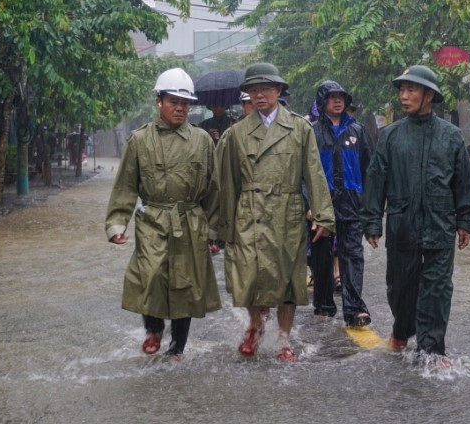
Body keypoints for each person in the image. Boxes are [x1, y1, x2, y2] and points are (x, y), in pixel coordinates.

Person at [211, 62, 335, 362]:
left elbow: (314, 173)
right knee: (247, 275)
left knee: (289, 279)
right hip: (249, 212)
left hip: (287, 212)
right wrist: (219, 228)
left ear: (279, 90)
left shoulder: (299, 129)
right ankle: (255, 323)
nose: (259, 95)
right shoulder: (236, 134)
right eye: (253, 90)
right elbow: (224, 182)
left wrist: (323, 215)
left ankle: (283, 339)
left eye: (266, 88)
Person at [361, 65, 470, 360]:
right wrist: (373, 221)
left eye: (411, 89)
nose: (404, 95)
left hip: (440, 225)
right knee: (400, 288)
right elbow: (376, 180)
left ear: (429, 95)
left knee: (437, 290)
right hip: (402, 225)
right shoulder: (390, 136)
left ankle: (432, 351)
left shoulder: (451, 137)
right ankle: (401, 330)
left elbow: (464, 182)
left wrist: (465, 221)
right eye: (401, 89)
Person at [105, 67, 221, 359]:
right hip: (153, 220)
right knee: (151, 274)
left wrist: (214, 232)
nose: (180, 109)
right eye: (174, 102)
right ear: (159, 101)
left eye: (185, 104)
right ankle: (154, 328)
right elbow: (126, 186)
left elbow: (213, 189)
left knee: (186, 283)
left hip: (190, 221)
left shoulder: (202, 141)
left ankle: (177, 347)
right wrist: (117, 224)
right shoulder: (139, 141)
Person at [310, 80, 374, 326]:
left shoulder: (357, 131)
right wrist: (309, 205)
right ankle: (324, 304)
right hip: (321, 204)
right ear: (322, 102)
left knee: (352, 255)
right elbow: (305, 172)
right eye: (332, 97)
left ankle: (355, 308)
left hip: (351, 203)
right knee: (321, 256)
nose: (337, 101)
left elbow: (369, 169)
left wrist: (370, 206)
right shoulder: (313, 132)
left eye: (341, 97)